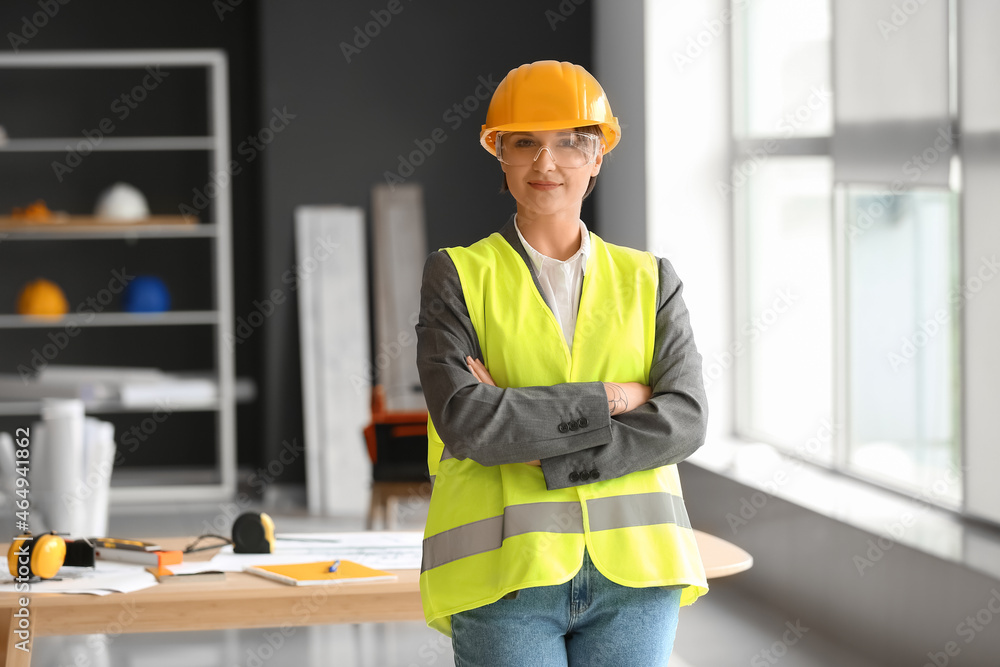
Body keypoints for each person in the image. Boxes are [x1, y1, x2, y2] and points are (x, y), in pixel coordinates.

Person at [415, 60, 709, 666]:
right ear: (500, 154)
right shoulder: (458, 275)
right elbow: (467, 421)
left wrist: (527, 435)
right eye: (525, 143)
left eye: (570, 144)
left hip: (638, 576)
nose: (545, 163)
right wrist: (619, 396)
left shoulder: (651, 279)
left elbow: (684, 420)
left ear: (598, 156)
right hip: (506, 573)